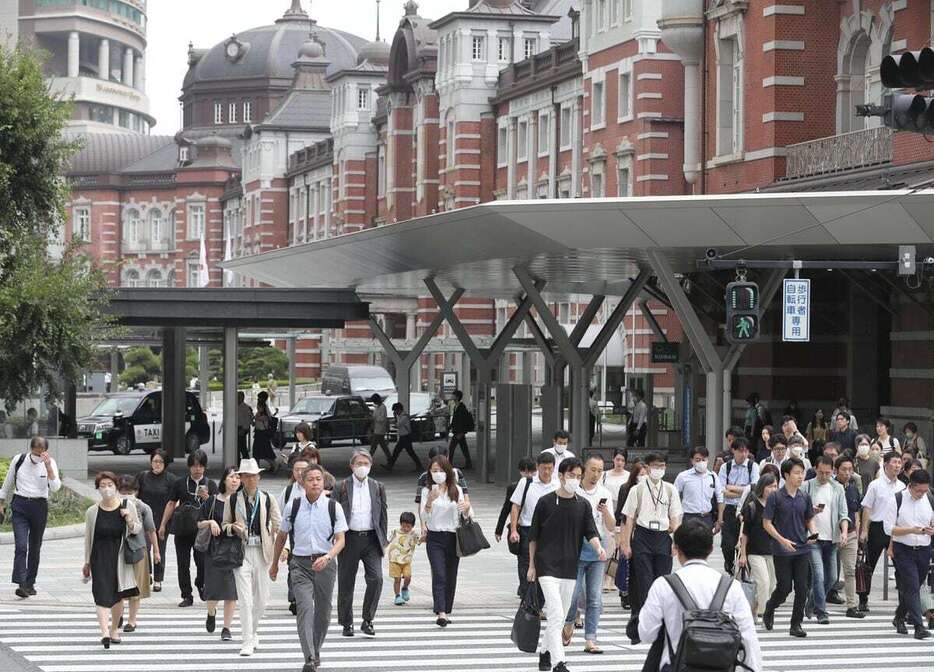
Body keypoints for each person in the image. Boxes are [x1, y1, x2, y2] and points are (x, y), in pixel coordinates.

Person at [639, 520, 762, 672]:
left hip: (676, 666)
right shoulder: (731, 587)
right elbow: (748, 638)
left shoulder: (663, 585)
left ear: (676, 548)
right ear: (711, 549)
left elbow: (646, 634)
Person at [529, 457, 606, 672]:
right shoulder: (545, 502)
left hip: (569, 567)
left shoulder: (582, 505)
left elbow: (591, 531)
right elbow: (534, 536)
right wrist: (532, 566)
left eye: (578, 476)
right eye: (571, 475)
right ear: (561, 476)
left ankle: (544, 652)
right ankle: (558, 662)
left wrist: (598, 548)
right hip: (546, 566)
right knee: (555, 613)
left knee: (560, 616)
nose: (575, 479)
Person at [270, 464, 347, 672]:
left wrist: (328, 556)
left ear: (324, 482)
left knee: (324, 612)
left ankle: (316, 648)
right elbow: (282, 536)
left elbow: (340, 540)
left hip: (326, 564)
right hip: (300, 565)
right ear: (302, 483)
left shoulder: (333, 507)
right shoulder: (292, 506)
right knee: (305, 608)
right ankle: (310, 657)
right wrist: (274, 563)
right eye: (311, 479)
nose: (315, 482)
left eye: (318, 479)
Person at [619, 452, 683, 643]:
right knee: (644, 581)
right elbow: (629, 518)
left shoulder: (670, 489)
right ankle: (643, 626)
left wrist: (676, 542)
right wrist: (626, 543)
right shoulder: (637, 490)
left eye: (662, 466)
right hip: (642, 536)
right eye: (655, 466)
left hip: (663, 537)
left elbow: (676, 518)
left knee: (663, 581)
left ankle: (662, 625)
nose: (659, 469)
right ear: (646, 467)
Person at [223, 458, 281, 656]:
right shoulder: (232, 500)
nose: (250, 480)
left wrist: (285, 549)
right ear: (241, 478)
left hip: (263, 551)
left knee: (262, 599)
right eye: (245, 476)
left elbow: (279, 526)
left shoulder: (267, 498)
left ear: (259, 477)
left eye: (253, 476)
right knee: (245, 599)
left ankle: (253, 631)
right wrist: (233, 528)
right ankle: (247, 639)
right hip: (241, 552)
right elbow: (224, 525)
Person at [561, 454, 614, 654]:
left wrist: (606, 511)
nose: (596, 474)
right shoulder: (574, 491)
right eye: (593, 469)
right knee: (572, 596)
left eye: (600, 471)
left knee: (594, 598)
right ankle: (568, 623)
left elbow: (610, 526)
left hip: (597, 549)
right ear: (584, 469)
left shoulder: (604, 493)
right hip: (574, 549)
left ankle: (590, 638)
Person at [82, 472, 141, 649]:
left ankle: (114, 629)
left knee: (117, 596)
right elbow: (88, 538)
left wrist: (128, 519)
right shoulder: (92, 512)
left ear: (115, 487)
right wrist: (86, 562)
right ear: (98, 489)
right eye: (102, 485)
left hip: (119, 557)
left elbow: (137, 529)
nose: (106, 489)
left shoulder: (127, 505)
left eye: (110, 485)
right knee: (100, 594)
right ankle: (105, 632)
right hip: (99, 557)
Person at [334, 450, 388, 637]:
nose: (362, 466)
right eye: (358, 463)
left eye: (365, 463)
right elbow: (332, 512)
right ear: (352, 466)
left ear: (371, 465)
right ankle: (346, 622)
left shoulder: (377, 487)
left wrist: (383, 539)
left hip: (372, 539)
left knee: (377, 579)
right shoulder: (341, 486)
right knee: (346, 582)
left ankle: (368, 619)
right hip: (348, 539)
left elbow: (383, 515)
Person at [0, 436, 62, 598]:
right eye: (35, 453)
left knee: (35, 547)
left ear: (45, 452)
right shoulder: (19, 460)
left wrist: (48, 467)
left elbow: (55, 488)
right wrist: (1, 502)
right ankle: (21, 583)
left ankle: (30, 583)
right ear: (31, 449)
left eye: (40, 454)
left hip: (39, 506)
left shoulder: (50, 463)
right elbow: (8, 482)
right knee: (21, 545)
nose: (37, 457)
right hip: (20, 504)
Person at [762, 457, 817, 638]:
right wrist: (781, 539)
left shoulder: (805, 497)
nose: (800, 476)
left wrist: (813, 533)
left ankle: (796, 624)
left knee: (802, 588)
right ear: (786, 475)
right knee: (784, 587)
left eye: (802, 473)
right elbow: (767, 523)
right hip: (781, 550)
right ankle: (770, 608)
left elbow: (809, 519)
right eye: (796, 473)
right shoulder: (775, 497)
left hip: (802, 548)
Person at [158, 449, 218, 607]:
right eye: (194, 466)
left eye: (200, 466)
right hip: (183, 529)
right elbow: (171, 503)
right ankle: (187, 595)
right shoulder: (180, 483)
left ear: (205, 467)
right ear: (189, 467)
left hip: (202, 531)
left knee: (202, 562)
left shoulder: (210, 484)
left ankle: (201, 583)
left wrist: (209, 498)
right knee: (182, 563)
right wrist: (163, 525)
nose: (197, 469)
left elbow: (218, 506)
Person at [420, 455, 473, 627]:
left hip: (453, 537)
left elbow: (467, 515)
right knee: (439, 573)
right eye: (434, 470)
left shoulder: (455, 489)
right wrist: (429, 501)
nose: (438, 474)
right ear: (430, 472)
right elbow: (424, 516)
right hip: (435, 537)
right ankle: (440, 611)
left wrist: (466, 509)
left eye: (441, 470)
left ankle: (446, 608)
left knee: (451, 574)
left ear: (448, 472)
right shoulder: (427, 491)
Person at [884, 468, 934, 639]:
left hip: (924, 550)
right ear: (911, 486)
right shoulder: (896, 499)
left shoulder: (930, 499)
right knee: (912, 586)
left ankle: (899, 617)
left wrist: (930, 531)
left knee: (914, 586)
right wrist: (911, 530)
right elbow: (888, 528)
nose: (922, 494)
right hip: (903, 550)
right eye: (919, 490)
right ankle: (919, 626)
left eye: (925, 490)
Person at [800, 456, 848, 624]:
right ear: (815, 469)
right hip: (813, 539)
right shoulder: (806, 486)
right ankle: (821, 612)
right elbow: (799, 512)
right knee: (818, 576)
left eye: (828, 473)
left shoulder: (838, 488)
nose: (824, 476)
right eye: (821, 472)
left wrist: (844, 532)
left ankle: (812, 601)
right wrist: (809, 511)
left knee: (832, 578)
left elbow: (844, 514)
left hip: (832, 539)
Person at [858, 451, 905, 613]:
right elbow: (867, 508)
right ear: (885, 464)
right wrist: (864, 530)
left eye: (900, 462)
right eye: (894, 462)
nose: (897, 465)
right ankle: (863, 599)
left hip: (896, 530)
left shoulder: (902, 486)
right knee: (868, 565)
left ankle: (903, 603)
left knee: (901, 567)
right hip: (877, 528)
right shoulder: (875, 485)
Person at [509, 452, 557, 600]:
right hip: (527, 530)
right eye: (544, 468)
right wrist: (513, 530)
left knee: (545, 569)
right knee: (526, 567)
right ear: (537, 467)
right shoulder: (526, 483)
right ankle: (527, 602)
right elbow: (515, 507)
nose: (547, 472)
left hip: (549, 533)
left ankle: (539, 603)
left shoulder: (557, 485)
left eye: (550, 468)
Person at [200, 467, 239, 642]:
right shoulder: (213, 501)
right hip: (214, 550)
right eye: (232, 477)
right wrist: (210, 522)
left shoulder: (242, 501)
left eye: (238, 477)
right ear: (224, 480)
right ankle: (211, 612)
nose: (235, 480)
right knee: (213, 590)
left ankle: (226, 628)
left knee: (231, 591)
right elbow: (198, 522)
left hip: (235, 550)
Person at [117, 475, 158, 633]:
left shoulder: (142, 507)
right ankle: (118, 614)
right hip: (118, 550)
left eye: (130, 491)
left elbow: (151, 530)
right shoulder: (112, 505)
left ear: (136, 491)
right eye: (122, 491)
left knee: (136, 587)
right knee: (118, 586)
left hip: (138, 550)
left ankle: (132, 620)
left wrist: (156, 551)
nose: (126, 494)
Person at [738, 474, 778, 621]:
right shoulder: (752, 507)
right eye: (770, 486)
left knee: (772, 584)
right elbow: (745, 533)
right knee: (763, 581)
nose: (773, 489)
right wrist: (742, 554)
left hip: (773, 551)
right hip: (754, 551)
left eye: (775, 486)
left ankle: (754, 606)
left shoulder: (777, 506)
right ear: (762, 487)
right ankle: (764, 613)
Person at [718, 437, 759, 575]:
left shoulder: (753, 466)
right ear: (733, 450)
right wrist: (743, 490)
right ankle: (729, 564)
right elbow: (722, 490)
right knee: (727, 544)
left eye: (746, 451)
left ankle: (743, 570)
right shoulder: (726, 467)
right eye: (740, 451)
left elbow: (754, 489)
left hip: (747, 509)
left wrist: (732, 488)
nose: (743, 454)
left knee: (745, 542)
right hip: (729, 509)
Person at [136, 450, 176, 593]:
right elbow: (136, 495)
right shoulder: (143, 476)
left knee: (160, 550)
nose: (157, 464)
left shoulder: (171, 480)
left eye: (160, 462)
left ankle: (158, 579)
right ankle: (148, 573)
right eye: (155, 461)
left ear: (165, 464)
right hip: (144, 519)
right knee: (144, 547)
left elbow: (172, 502)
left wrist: (164, 524)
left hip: (162, 519)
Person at [834, 454, 865, 618]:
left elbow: (856, 511)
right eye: (844, 469)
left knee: (850, 570)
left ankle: (852, 605)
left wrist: (859, 532)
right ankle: (815, 603)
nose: (847, 473)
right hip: (832, 535)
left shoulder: (853, 487)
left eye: (850, 470)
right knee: (828, 573)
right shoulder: (830, 487)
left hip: (851, 534)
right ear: (836, 470)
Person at [613, 459, 644, 609]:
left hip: (642, 531)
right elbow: (620, 513)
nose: (643, 478)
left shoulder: (650, 490)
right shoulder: (626, 488)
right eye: (641, 475)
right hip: (627, 529)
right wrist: (619, 535)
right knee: (625, 562)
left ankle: (634, 593)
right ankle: (624, 593)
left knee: (638, 563)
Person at [675, 446, 724, 531]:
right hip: (689, 517)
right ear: (692, 461)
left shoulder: (713, 476)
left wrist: (719, 520)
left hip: (707, 518)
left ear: (707, 460)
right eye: (697, 460)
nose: (701, 462)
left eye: (703, 459)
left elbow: (720, 498)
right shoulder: (683, 476)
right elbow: (674, 496)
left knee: (706, 543)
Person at [495, 457, 536, 544]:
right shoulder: (514, 488)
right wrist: (499, 530)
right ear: (520, 471)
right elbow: (506, 509)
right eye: (525, 471)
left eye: (531, 472)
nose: (528, 474)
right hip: (521, 526)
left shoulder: (541, 486)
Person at [387, 512, 419, 605]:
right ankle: (397, 596)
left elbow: (419, 541)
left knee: (408, 576)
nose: (405, 528)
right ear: (400, 523)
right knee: (397, 579)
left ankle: (405, 587)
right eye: (403, 526)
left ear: (412, 526)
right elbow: (388, 541)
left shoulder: (413, 534)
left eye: (408, 527)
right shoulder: (395, 531)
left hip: (406, 560)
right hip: (394, 560)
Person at [387, 402, 423, 471]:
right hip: (403, 437)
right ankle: (390, 465)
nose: (395, 412)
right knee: (397, 451)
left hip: (406, 437)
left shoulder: (404, 417)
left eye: (395, 410)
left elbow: (398, 425)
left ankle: (419, 465)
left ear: (399, 409)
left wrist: (395, 418)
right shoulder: (401, 416)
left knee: (409, 452)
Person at [447, 390, 473, 470]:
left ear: (457, 397)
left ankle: (449, 464)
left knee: (451, 448)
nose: (451, 396)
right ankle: (468, 463)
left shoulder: (461, 407)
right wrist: (450, 427)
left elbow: (463, 421)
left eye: (453, 395)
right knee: (464, 448)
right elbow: (455, 419)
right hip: (457, 431)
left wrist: (462, 432)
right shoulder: (456, 406)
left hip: (459, 432)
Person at [252, 394, 276, 467]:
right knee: (257, 452)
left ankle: (274, 464)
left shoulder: (264, 415)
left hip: (262, 434)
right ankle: (257, 466)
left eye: (259, 398)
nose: (257, 399)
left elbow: (260, 419)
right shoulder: (262, 412)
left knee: (264, 452)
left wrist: (256, 417)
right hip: (259, 433)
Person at [369, 394, 392, 463]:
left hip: (380, 429)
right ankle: (390, 458)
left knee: (374, 445)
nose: (374, 403)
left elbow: (382, 418)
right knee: (382, 445)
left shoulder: (383, 407)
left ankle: (368, 459)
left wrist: (375, 419)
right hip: (377, 429)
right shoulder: (377, 407)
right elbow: (375, 416)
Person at [236, 391, 253, 460]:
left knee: (242, 446)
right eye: (238, 397)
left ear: (243, 398)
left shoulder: (246, 407)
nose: (239, 398)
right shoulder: (234, 406)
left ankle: (246, 460)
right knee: (236, 447)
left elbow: (248, 419)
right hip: (235, 428)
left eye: (240, 397)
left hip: (242, 428)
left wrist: (244, 429)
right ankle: (237, 461)